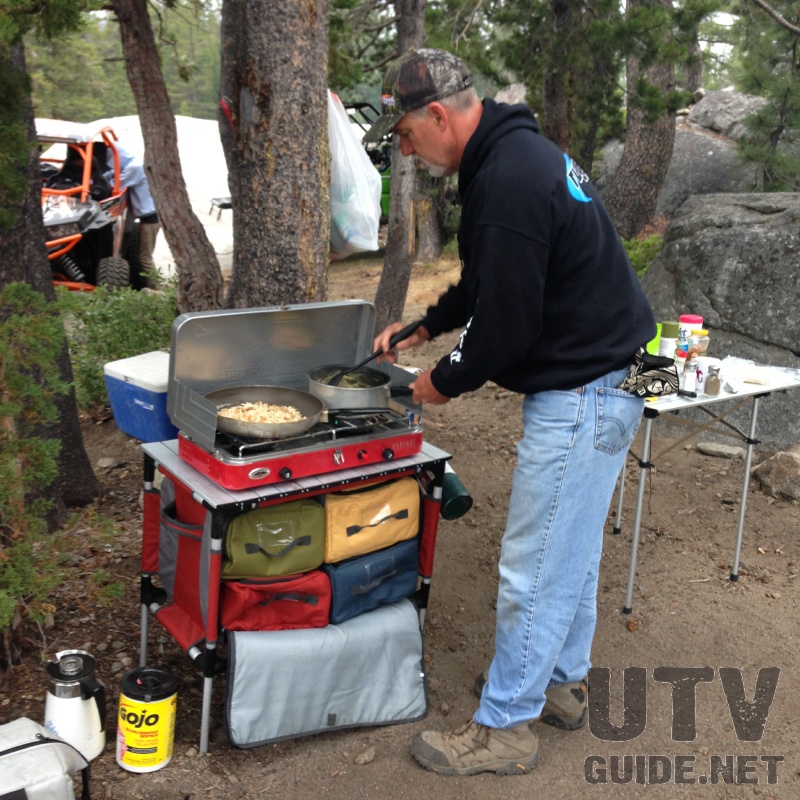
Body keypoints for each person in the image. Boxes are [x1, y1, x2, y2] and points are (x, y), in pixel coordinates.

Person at [366, 49, 656, 777]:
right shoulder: (517, 157)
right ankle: (557, 684)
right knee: (571, 549)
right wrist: (425, 326)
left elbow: (508, 325)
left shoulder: (509, 177)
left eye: (406, 135)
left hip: (588, 388)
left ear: (437, 115)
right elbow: (490, 280)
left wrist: (440, 381)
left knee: (536, 563)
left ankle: (506, 729)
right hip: (622, 373)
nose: (407, 151)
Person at [105, 143, 161, 287]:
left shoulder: (134, 168)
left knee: (145, 257)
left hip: (150, 218)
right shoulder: (133, 163)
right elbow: (115, 173)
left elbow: (116, 184)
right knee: (145, 255)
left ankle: (156, 289)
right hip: (151, 215)